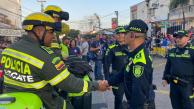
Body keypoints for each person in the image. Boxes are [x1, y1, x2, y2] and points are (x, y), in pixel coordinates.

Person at [0, 12, 109, 109]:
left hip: (13, 101)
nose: (53, 37)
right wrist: (96, 85)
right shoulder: (45, 56)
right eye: (51, 32)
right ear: (39, 31)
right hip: (46, 102)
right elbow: (69, 83)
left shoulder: (8, 50)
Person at [107, 19, 154, 109]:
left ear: (132, 35)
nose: (123, 36)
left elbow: (138, 96)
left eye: (126, 33)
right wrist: (108, 82)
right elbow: (123, 72)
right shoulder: (133, 54)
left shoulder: (140, 61)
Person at [162, 30, 194, 109]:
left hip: (188, 85)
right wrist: (165, 78)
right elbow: (168, 66)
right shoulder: (172, 51)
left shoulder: (192, 51)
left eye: (180, 37)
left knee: (189, 106)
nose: (178, 39)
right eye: (176, 37)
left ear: (187, 38)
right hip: (174, 84)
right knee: (176, 105)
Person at [104, 26, 128, 109]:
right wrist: (108, 81)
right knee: (118, 99)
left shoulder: (130, 47)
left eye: (124, 33)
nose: (122, 35)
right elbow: (106, 65)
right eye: (119, 34)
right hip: (117, 78)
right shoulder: (111, 48)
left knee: (132, 99)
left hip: (129, 78)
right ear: (116, 36)